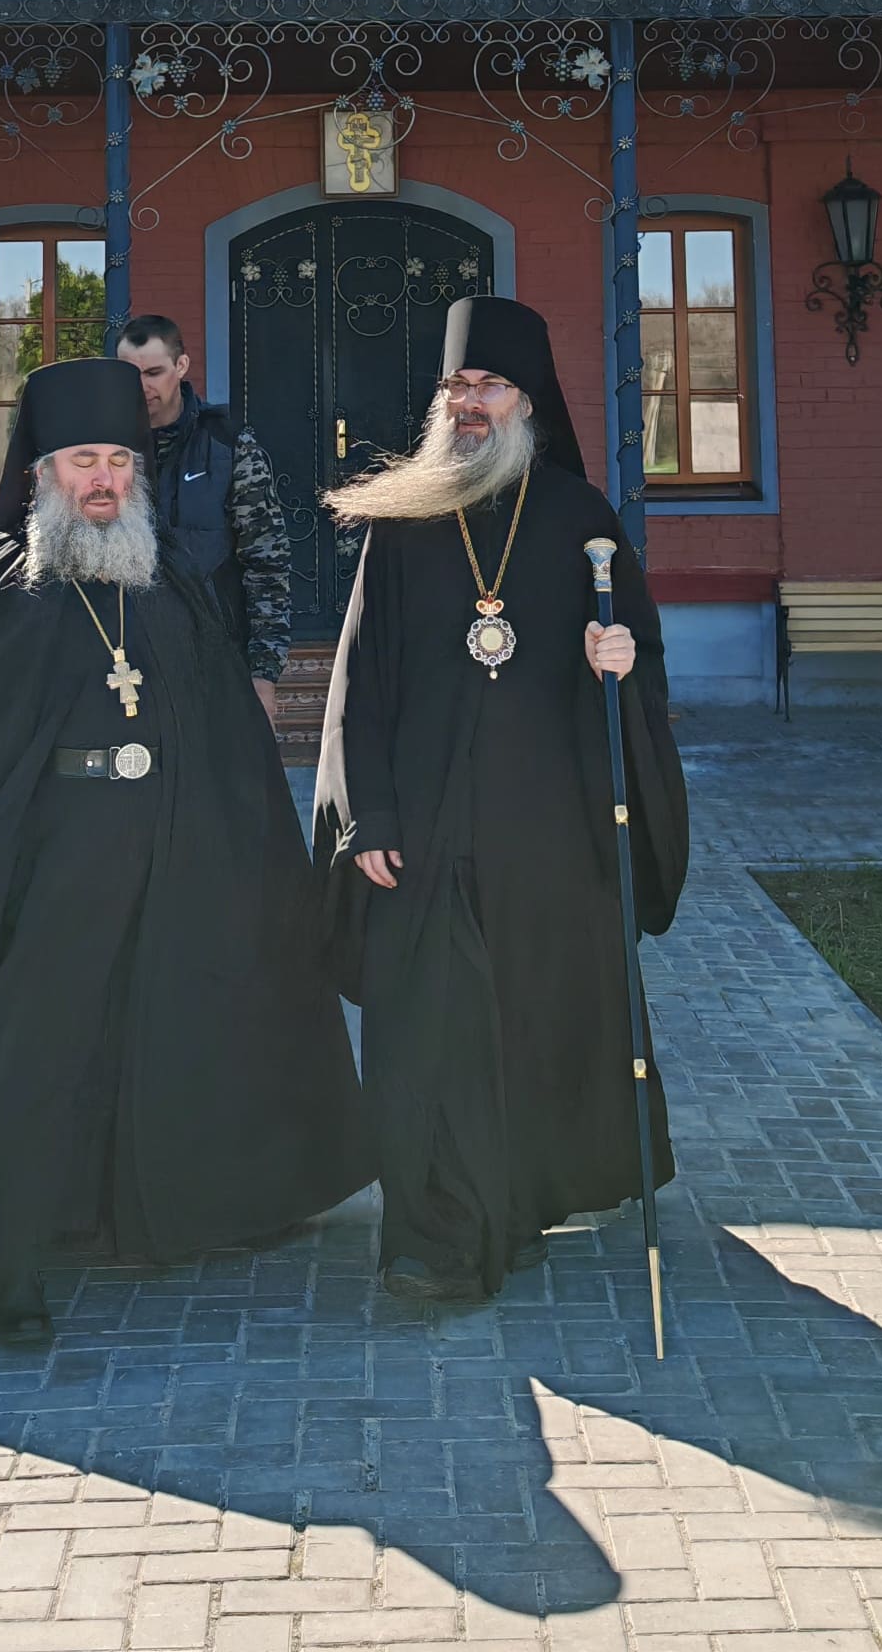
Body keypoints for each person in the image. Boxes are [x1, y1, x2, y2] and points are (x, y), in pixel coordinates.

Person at [0, 355, 370, 1346]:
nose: (104, 480)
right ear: (42, 472)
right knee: (23, 1058)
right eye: (84, 461)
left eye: (120, 462)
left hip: (166, 859)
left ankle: (157, 1212)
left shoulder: (169, 583)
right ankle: (12, 1267)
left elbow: (219, 734)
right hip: (43, 871)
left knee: (156, 1035)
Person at [312, 294, 691, 1306]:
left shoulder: (580, 520)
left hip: (546, 825)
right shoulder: (403, 522)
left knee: (532, 1020)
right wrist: (366, 816)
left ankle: (513, 1207)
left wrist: (619, 658)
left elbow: (640, 659)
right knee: (427, 1030)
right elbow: (359, 680)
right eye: (456, 385)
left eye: (488, 385)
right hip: (425, 826)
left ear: (529, 401)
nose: (469, 402)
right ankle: (434, 1240)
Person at [116, 313, 296, 689]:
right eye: (129, 374)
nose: (141, 386)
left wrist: (264, 673)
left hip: (214, 663)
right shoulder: (104, 453)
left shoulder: (230, 446)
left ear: (181, 366)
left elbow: (266, 564)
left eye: (153, 373)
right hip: (126, 663)